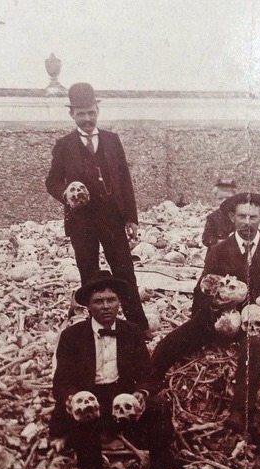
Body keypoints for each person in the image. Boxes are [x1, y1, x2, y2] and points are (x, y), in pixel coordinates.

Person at [152, 192, 260, 432]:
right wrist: (213, 306)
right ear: (232, 217)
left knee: (253, 348)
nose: (247, 223)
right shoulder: (219, 250)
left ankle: (239, 412)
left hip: (258, 320)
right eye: (241, 216)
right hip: (221, 315)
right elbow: (201, 291)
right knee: (173, 341)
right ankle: (148, 386)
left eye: (252, 217)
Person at [49, 270, 174, 469]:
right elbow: (61, 381)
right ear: (88, 306)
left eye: (111, 300)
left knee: (160, 405)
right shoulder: (72, 336)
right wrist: (73, 398)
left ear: (119, 302)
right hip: (90, 395)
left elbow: (148, 374)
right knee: (85, 418)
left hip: (123, 398)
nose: (106, 306)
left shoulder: (131, 332)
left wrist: (141, 393)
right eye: (99, 301)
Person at [45, 82, 152, 337]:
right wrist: (66, 194)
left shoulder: (112, 140)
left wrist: (132, 218)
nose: (87, 118)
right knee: (89, 273)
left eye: (91, 112)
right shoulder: (64, 145)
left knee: (125, 271)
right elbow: (52, 181)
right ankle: (96, 328)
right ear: (71, 114)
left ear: (97, 110)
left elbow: (125, 180)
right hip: (81, 222)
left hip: (111, 218)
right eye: (81, 113)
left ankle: (139, 326)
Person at [201, 178, 238, 249]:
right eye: (220, 198)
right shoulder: (212, 218)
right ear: (216, 200)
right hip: (217, 251)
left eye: (228, 198)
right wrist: (220, 242)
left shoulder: (241, 216)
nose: (224, 201)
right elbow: (206, 238)